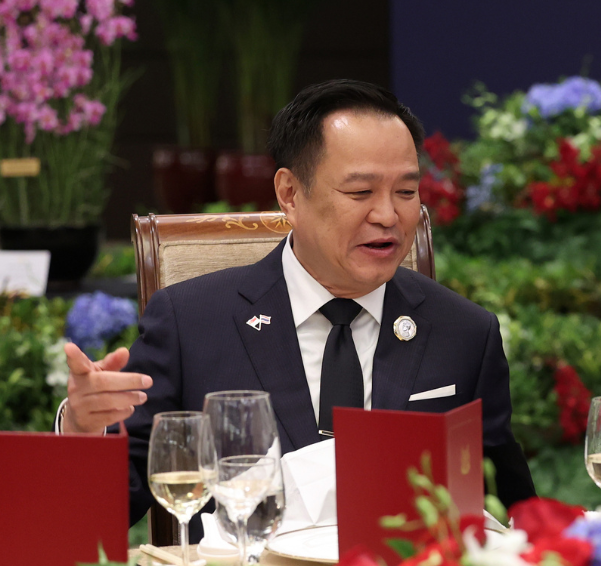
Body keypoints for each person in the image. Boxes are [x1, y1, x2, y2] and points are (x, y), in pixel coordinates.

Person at [59, 79, 536, 528]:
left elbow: (514, 512)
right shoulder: (192, 322)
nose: (389, 215)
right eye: (360, 192)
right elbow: (108, 508)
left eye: (407, 192)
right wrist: (83, 429)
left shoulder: (464, 332)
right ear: (290, 194)